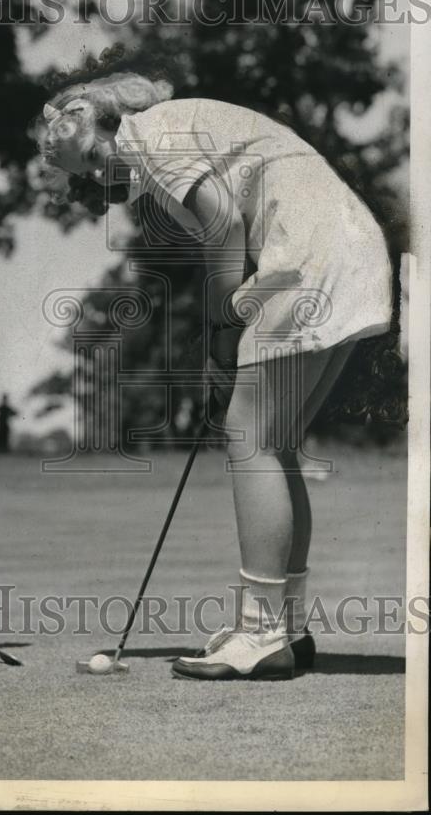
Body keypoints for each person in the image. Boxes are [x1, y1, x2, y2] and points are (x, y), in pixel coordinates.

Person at [34, 70, 393, 681]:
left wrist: (223, 321)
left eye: (94, 156)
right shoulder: (184, 125)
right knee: (272, 444)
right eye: (83, 176)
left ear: (109, 121)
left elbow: (223, 222)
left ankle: (259, 632)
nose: (98, 176)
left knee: (248, 437)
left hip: (309, 256)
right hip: (351, 248)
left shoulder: (149, 136)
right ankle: (285, 628)